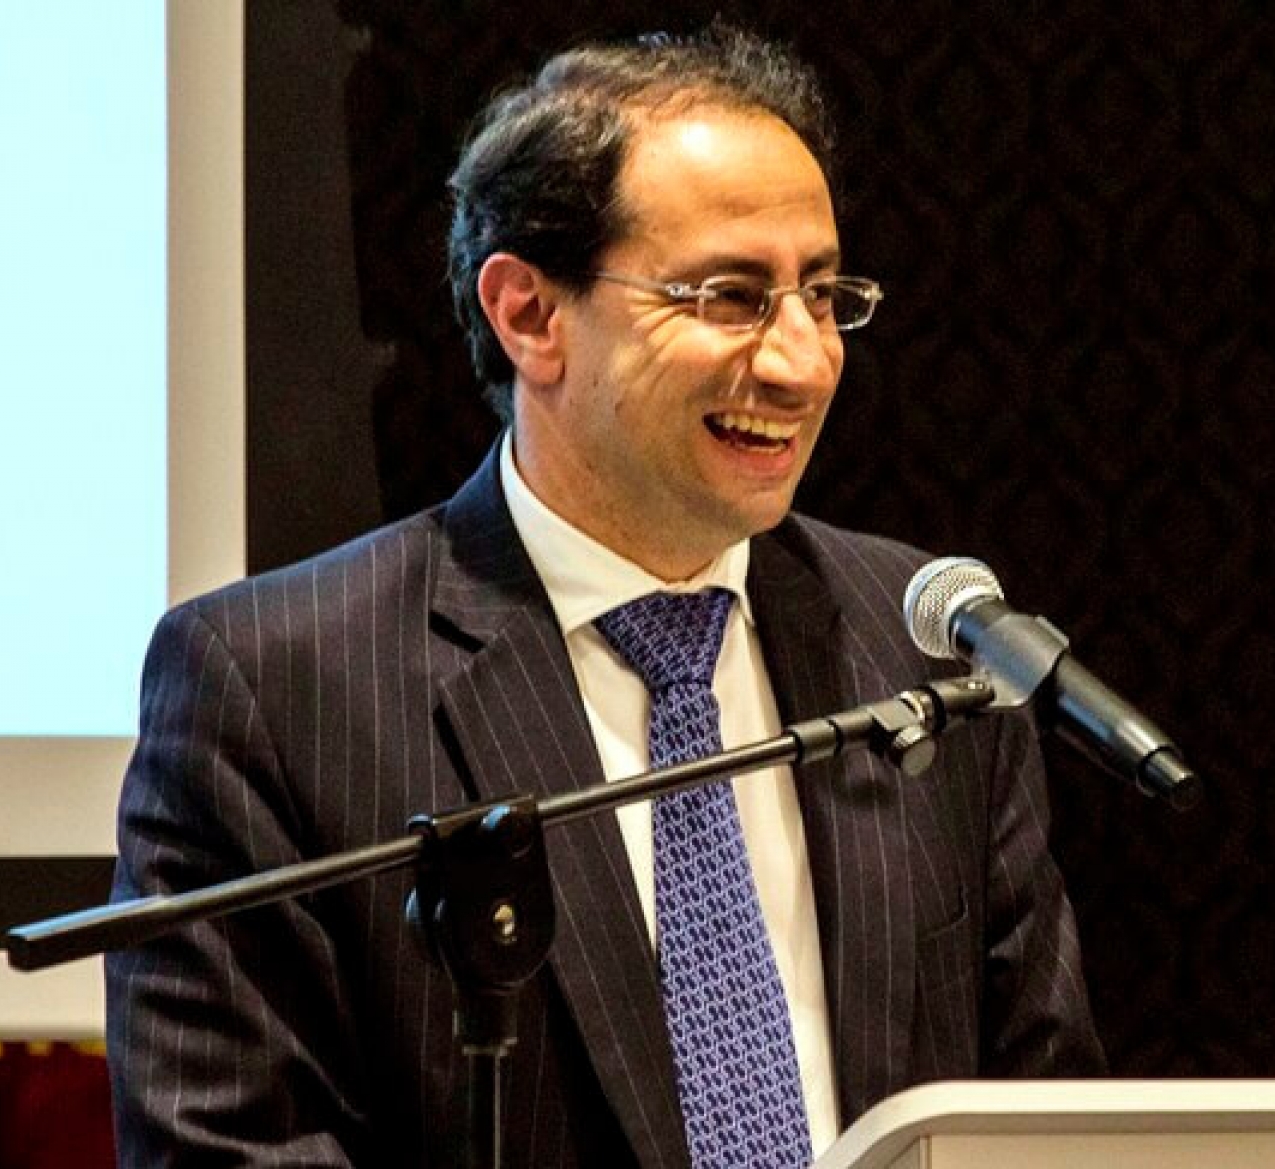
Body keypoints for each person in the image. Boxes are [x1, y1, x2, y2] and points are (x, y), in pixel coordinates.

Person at [106, 22, 1102, 1168]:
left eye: (823, 294)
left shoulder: (924, 643)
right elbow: (235, 1149)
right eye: (731, 296)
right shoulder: (277, 692)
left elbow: (1047, 1123)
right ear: (530, 315)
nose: (802, 361)